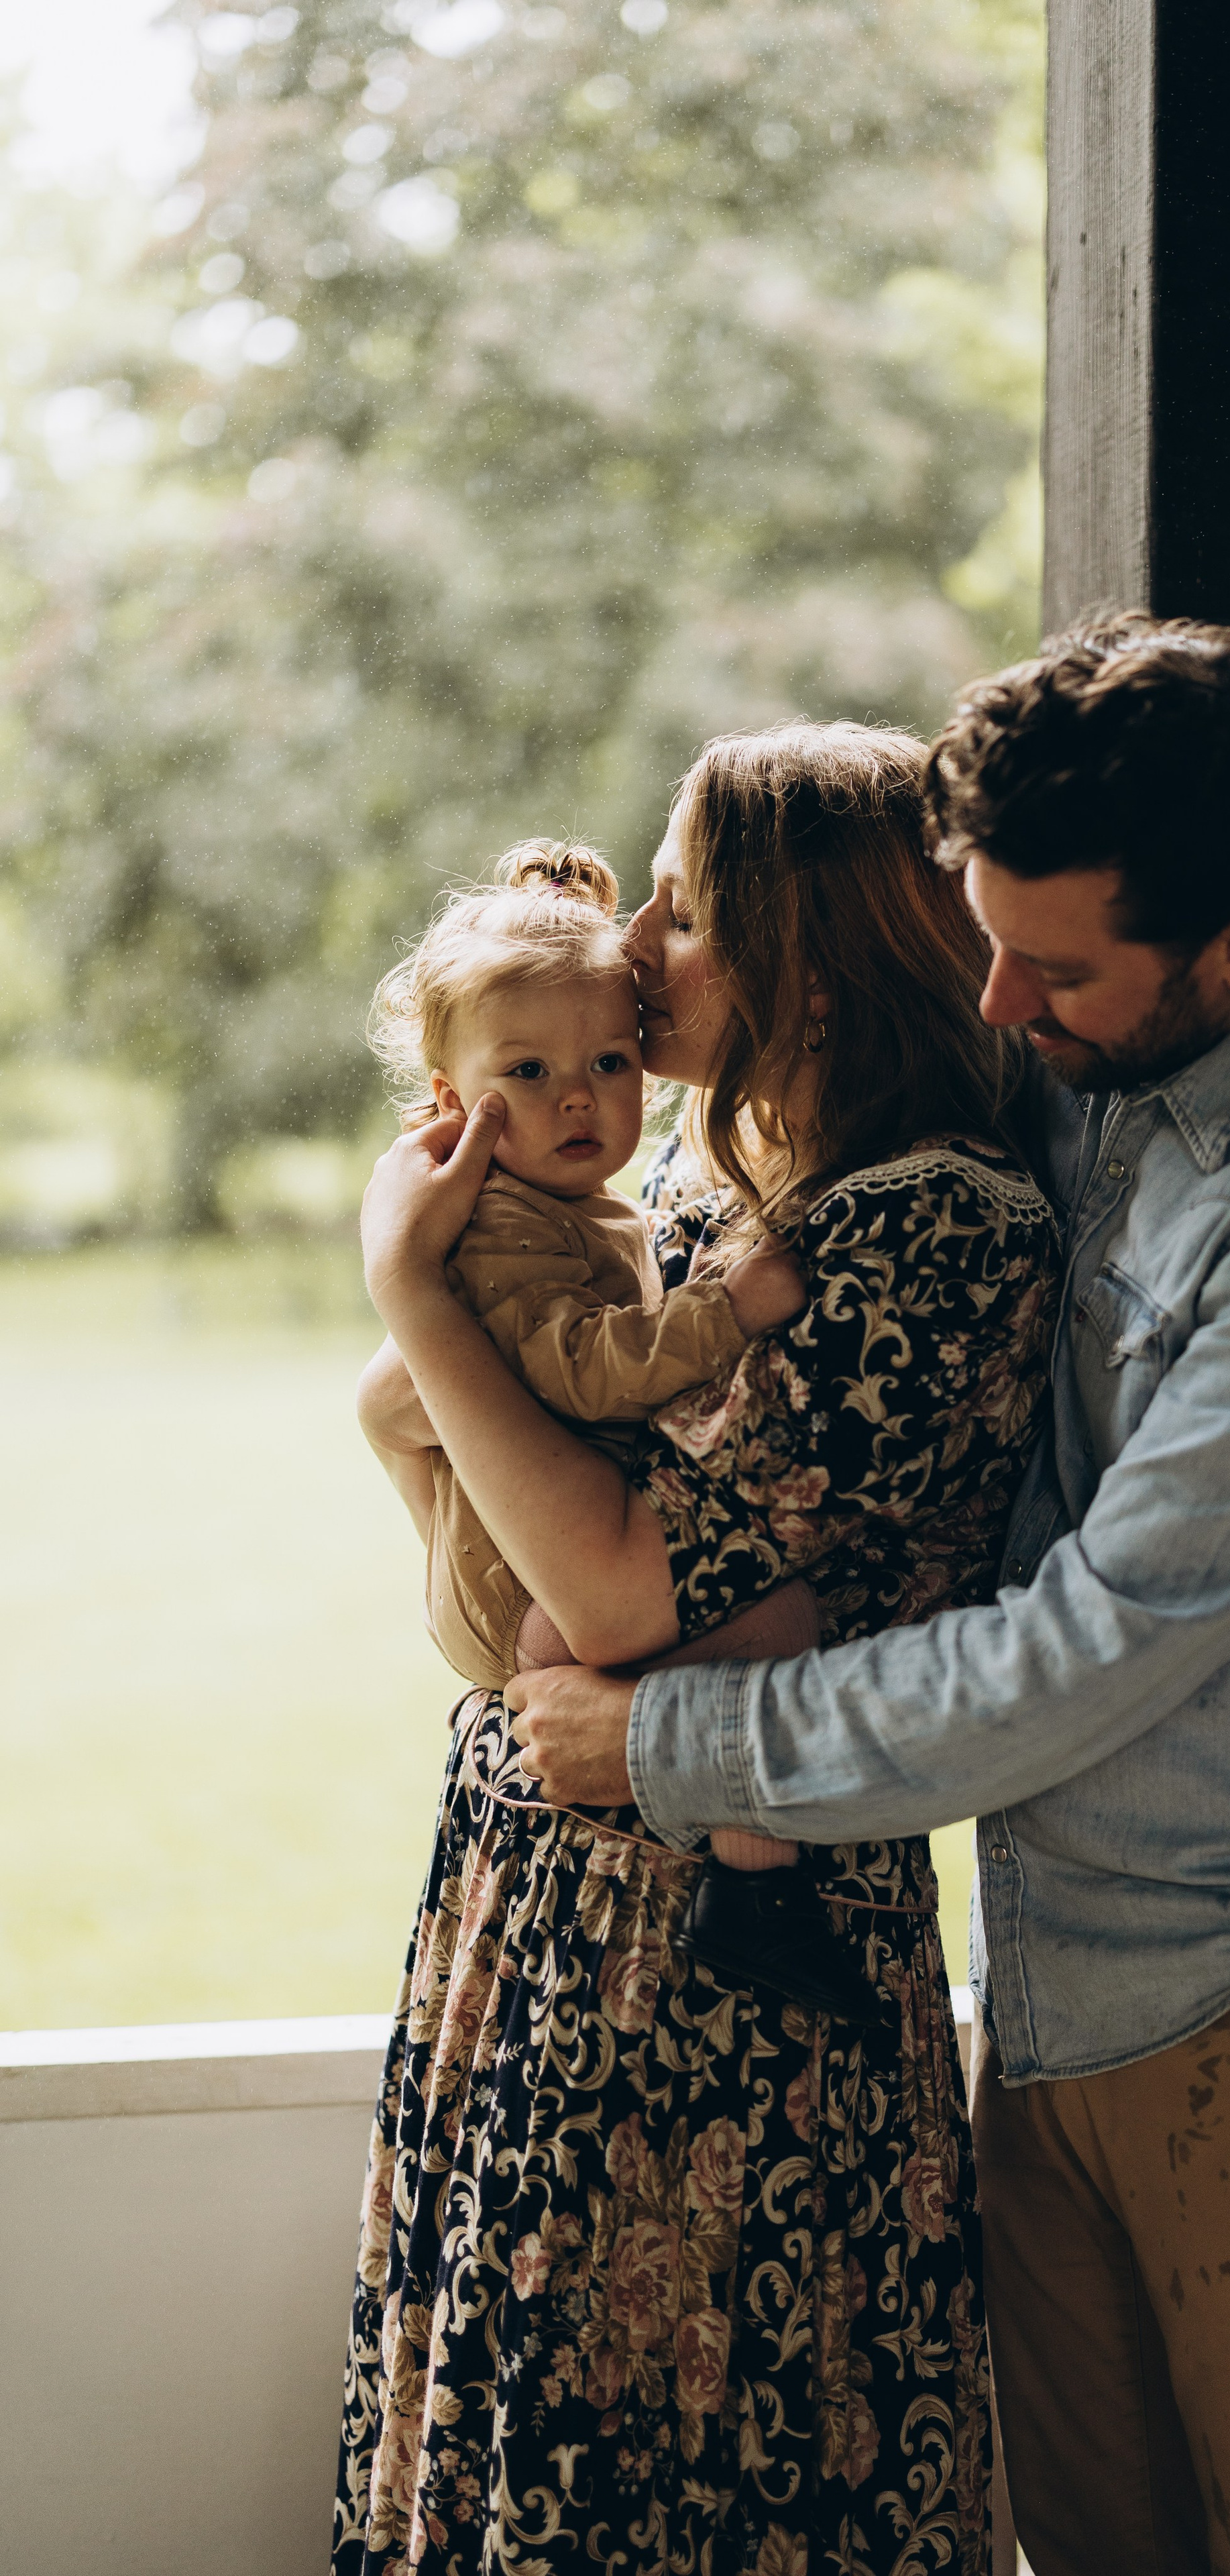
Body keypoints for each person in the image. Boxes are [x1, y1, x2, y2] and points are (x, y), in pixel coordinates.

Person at [506, 620, 1230, 2576]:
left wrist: (669, 1742)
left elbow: (1092, 1648)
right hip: (1059, 1988)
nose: (997, 1004)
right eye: (985, 941)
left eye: (1048, 970)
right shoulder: (1102, 1051)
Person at [335, 720, 1060, 2576]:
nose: (636, 944)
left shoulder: (927, 1226)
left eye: (683, 907)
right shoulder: (702, 1181)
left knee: (703, 2464)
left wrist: (410, 1289)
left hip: (725, 1975)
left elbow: (610, 1593)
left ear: (806, 963)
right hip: (551, 1903)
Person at [358, 831, 873, 2019]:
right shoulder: (499, 1226)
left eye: (608, 1060)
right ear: (452, 1101)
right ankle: (759, 1898)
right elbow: (583, 1368)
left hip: (533, 1557)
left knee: (772, 1620)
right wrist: (726, 1310)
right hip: (525, 1589)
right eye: (529, 1072)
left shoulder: (586, 1204)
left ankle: (754, 1887)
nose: (579, 1096)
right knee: (775, 1621)